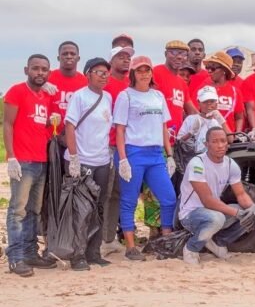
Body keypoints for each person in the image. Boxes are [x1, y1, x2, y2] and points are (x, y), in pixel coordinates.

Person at [113, 55, 178, 261]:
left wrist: (170, 155)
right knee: (129, 200)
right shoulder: (126, 96)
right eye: (140, 70)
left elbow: (163, 126)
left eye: (147, 70)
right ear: (133, 73)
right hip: (134, 152)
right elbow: (120, 130)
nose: (144, 74)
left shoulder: (157, 96)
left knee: (168, 198)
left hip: (155, 153)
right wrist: (123, 158)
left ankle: (165, 240)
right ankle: (131, 246)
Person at [4, 54, 57, 277]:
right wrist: (11, 156)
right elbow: (7, 123)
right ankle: (15, 257)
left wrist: (53, 121)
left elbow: (43, 129)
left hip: (41, 160)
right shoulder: (16, 91)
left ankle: (30, 252)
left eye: (44, 69)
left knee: (33, 211)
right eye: (35, 68)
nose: (40, 73)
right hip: (23, 161)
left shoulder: (45, 96)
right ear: (27, 70)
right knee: (17, 209)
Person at [62, 57, 116, 270]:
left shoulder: (108, 97)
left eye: (106, 73)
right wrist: (74, 157)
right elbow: (69, 126)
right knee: (81, 209)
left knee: (98, 208)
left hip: (102, 160)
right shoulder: (79, 97)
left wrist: (109, 156)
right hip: (82, 161)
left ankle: (93, 251)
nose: (103, 76)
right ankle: (77, 255)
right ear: (88, 74)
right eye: (99, 72)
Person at [178, 127, 255, 265]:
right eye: (215, 141)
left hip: (213, 212)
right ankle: (191, 249)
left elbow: (240, 194)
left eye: (223, 141)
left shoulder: (230, 164)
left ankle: (219, 242)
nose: (220, 145)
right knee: (218, 218)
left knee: (253, 214)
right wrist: (237, 213)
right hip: (190, 214)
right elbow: (207, 200)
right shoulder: (197, 164)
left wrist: (252, 208)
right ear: (206, 144)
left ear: (228, 144)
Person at [101, 44, 135, 256]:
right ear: (111, 60)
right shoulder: (105, 83)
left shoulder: (130, 85)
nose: (125, 60)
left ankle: (110, 237)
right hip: (106, 145)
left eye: (128, 57)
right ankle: (98, 239)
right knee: (104, 192)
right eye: (120, 57)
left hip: (126, 146)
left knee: (117, 193)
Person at [153, 40, 197, 133]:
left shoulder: (182, 83)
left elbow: (192, 112)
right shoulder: (155, 72)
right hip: (156, 138)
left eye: (184, 54)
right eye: (174, 52)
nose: (179, 57)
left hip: (176, 139)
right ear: (165, 54)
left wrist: (209, 121)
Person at [47, 41, 87, 128]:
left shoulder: (86, 82)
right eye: (65, 54)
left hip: (75, 136)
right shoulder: (47, 79)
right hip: (49, 137)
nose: (69, 56)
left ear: (78, 58)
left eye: (72, 54)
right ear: (58, 58)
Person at [178, 86, 230, 153]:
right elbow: (179, 142)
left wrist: (221, 120)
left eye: (212, 101)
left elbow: (230, 139)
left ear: (216, 102)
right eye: (205, 101)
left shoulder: (217, 122)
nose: (209, 104)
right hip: (194, 158)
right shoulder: (190, 119)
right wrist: (191, 133)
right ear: (199, 102)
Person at [203, 51, 245, 133]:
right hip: (207, 139)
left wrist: (237, 134)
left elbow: (239, 117)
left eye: (213, 68)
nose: (209, 71)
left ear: (224, 70)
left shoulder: (235, 92)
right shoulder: (204, 88)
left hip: (229, 139)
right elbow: (196, 113)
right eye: (208, 68)